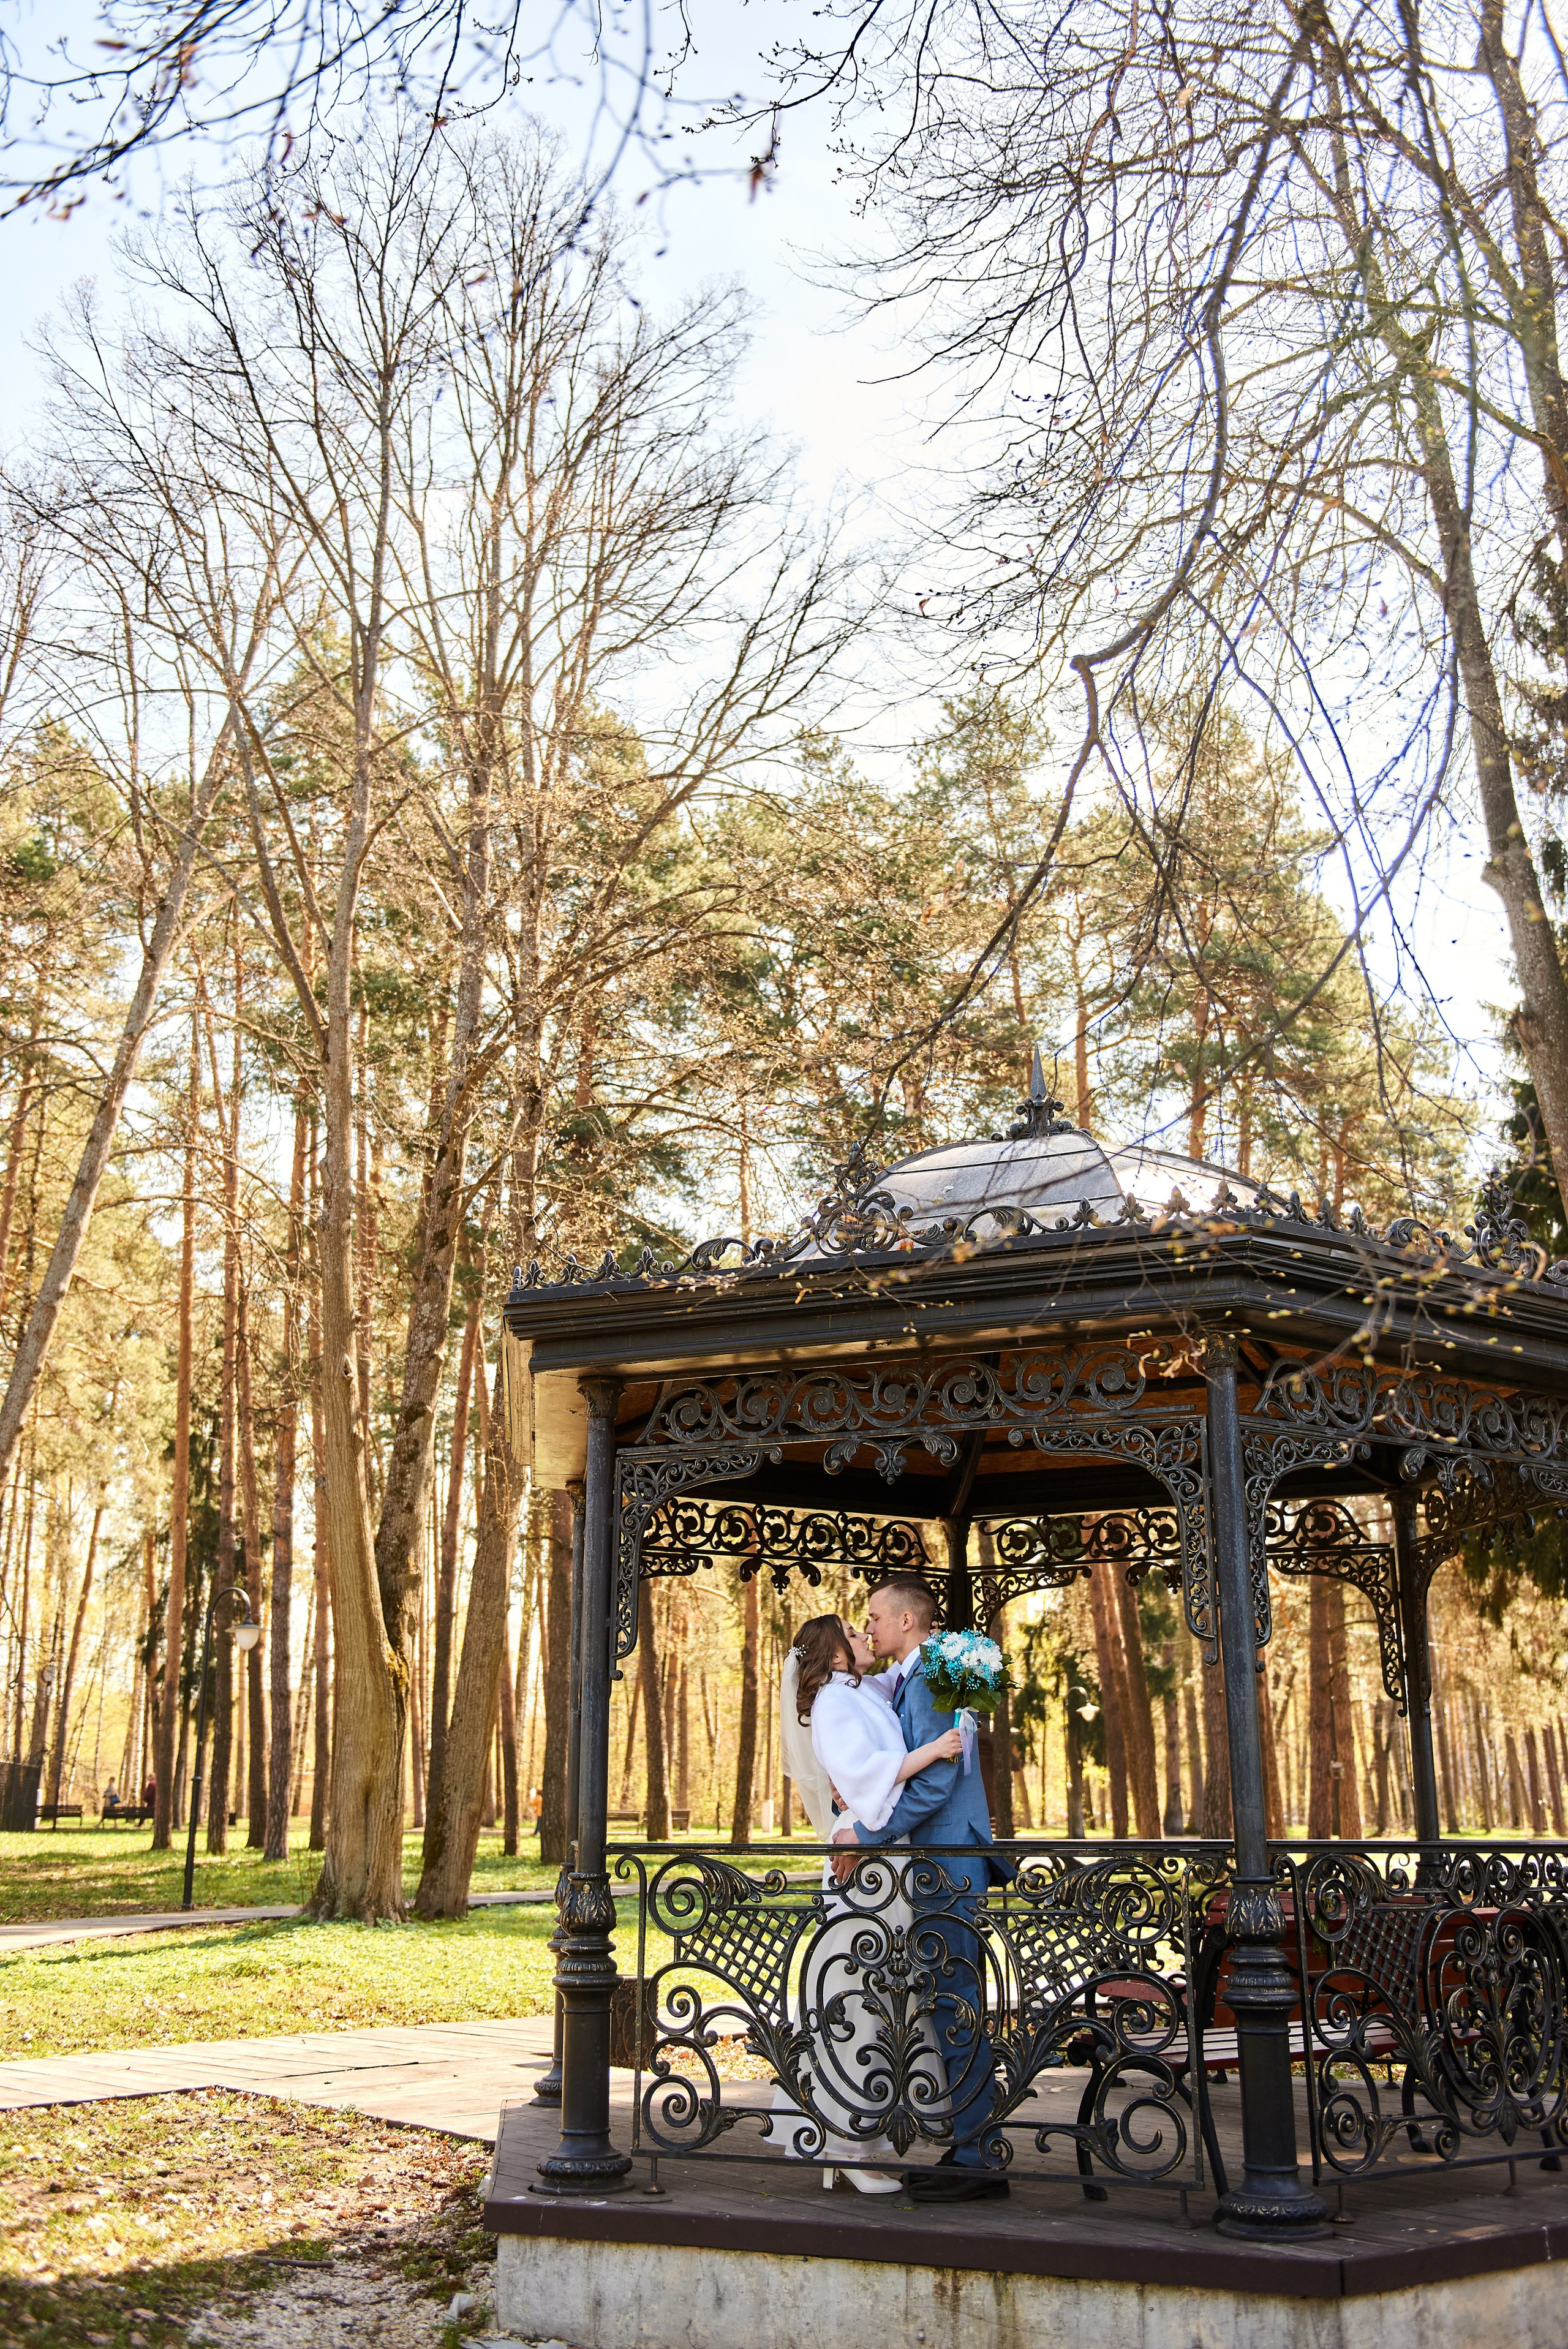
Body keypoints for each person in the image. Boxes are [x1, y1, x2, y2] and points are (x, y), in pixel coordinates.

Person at [831, 1575, 1011, 2204]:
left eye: (875, 1616)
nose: (870, 1626)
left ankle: (979, 2157)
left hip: (949, 1861)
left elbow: (934, 1786)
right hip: (938, 1859)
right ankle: (966, 2147)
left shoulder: (933, 1673)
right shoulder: (920, 1673)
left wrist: (863, 1830)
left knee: (956, 2005)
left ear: (907, 1621)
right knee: (946, 2005)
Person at [777, 1612, 962, 2195]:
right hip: (871, 1861)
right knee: (858, 1995)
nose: (865, 1636)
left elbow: (908, 1670)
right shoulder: (834, 1703)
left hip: (889, 1858)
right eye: (854, 1634)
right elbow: (866, 1775)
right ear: (833, 1655)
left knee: (888, 1997)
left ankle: (867, 2139)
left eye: (869, 1625)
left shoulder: (860, 1688)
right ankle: (846, 2144)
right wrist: (934, 1749)